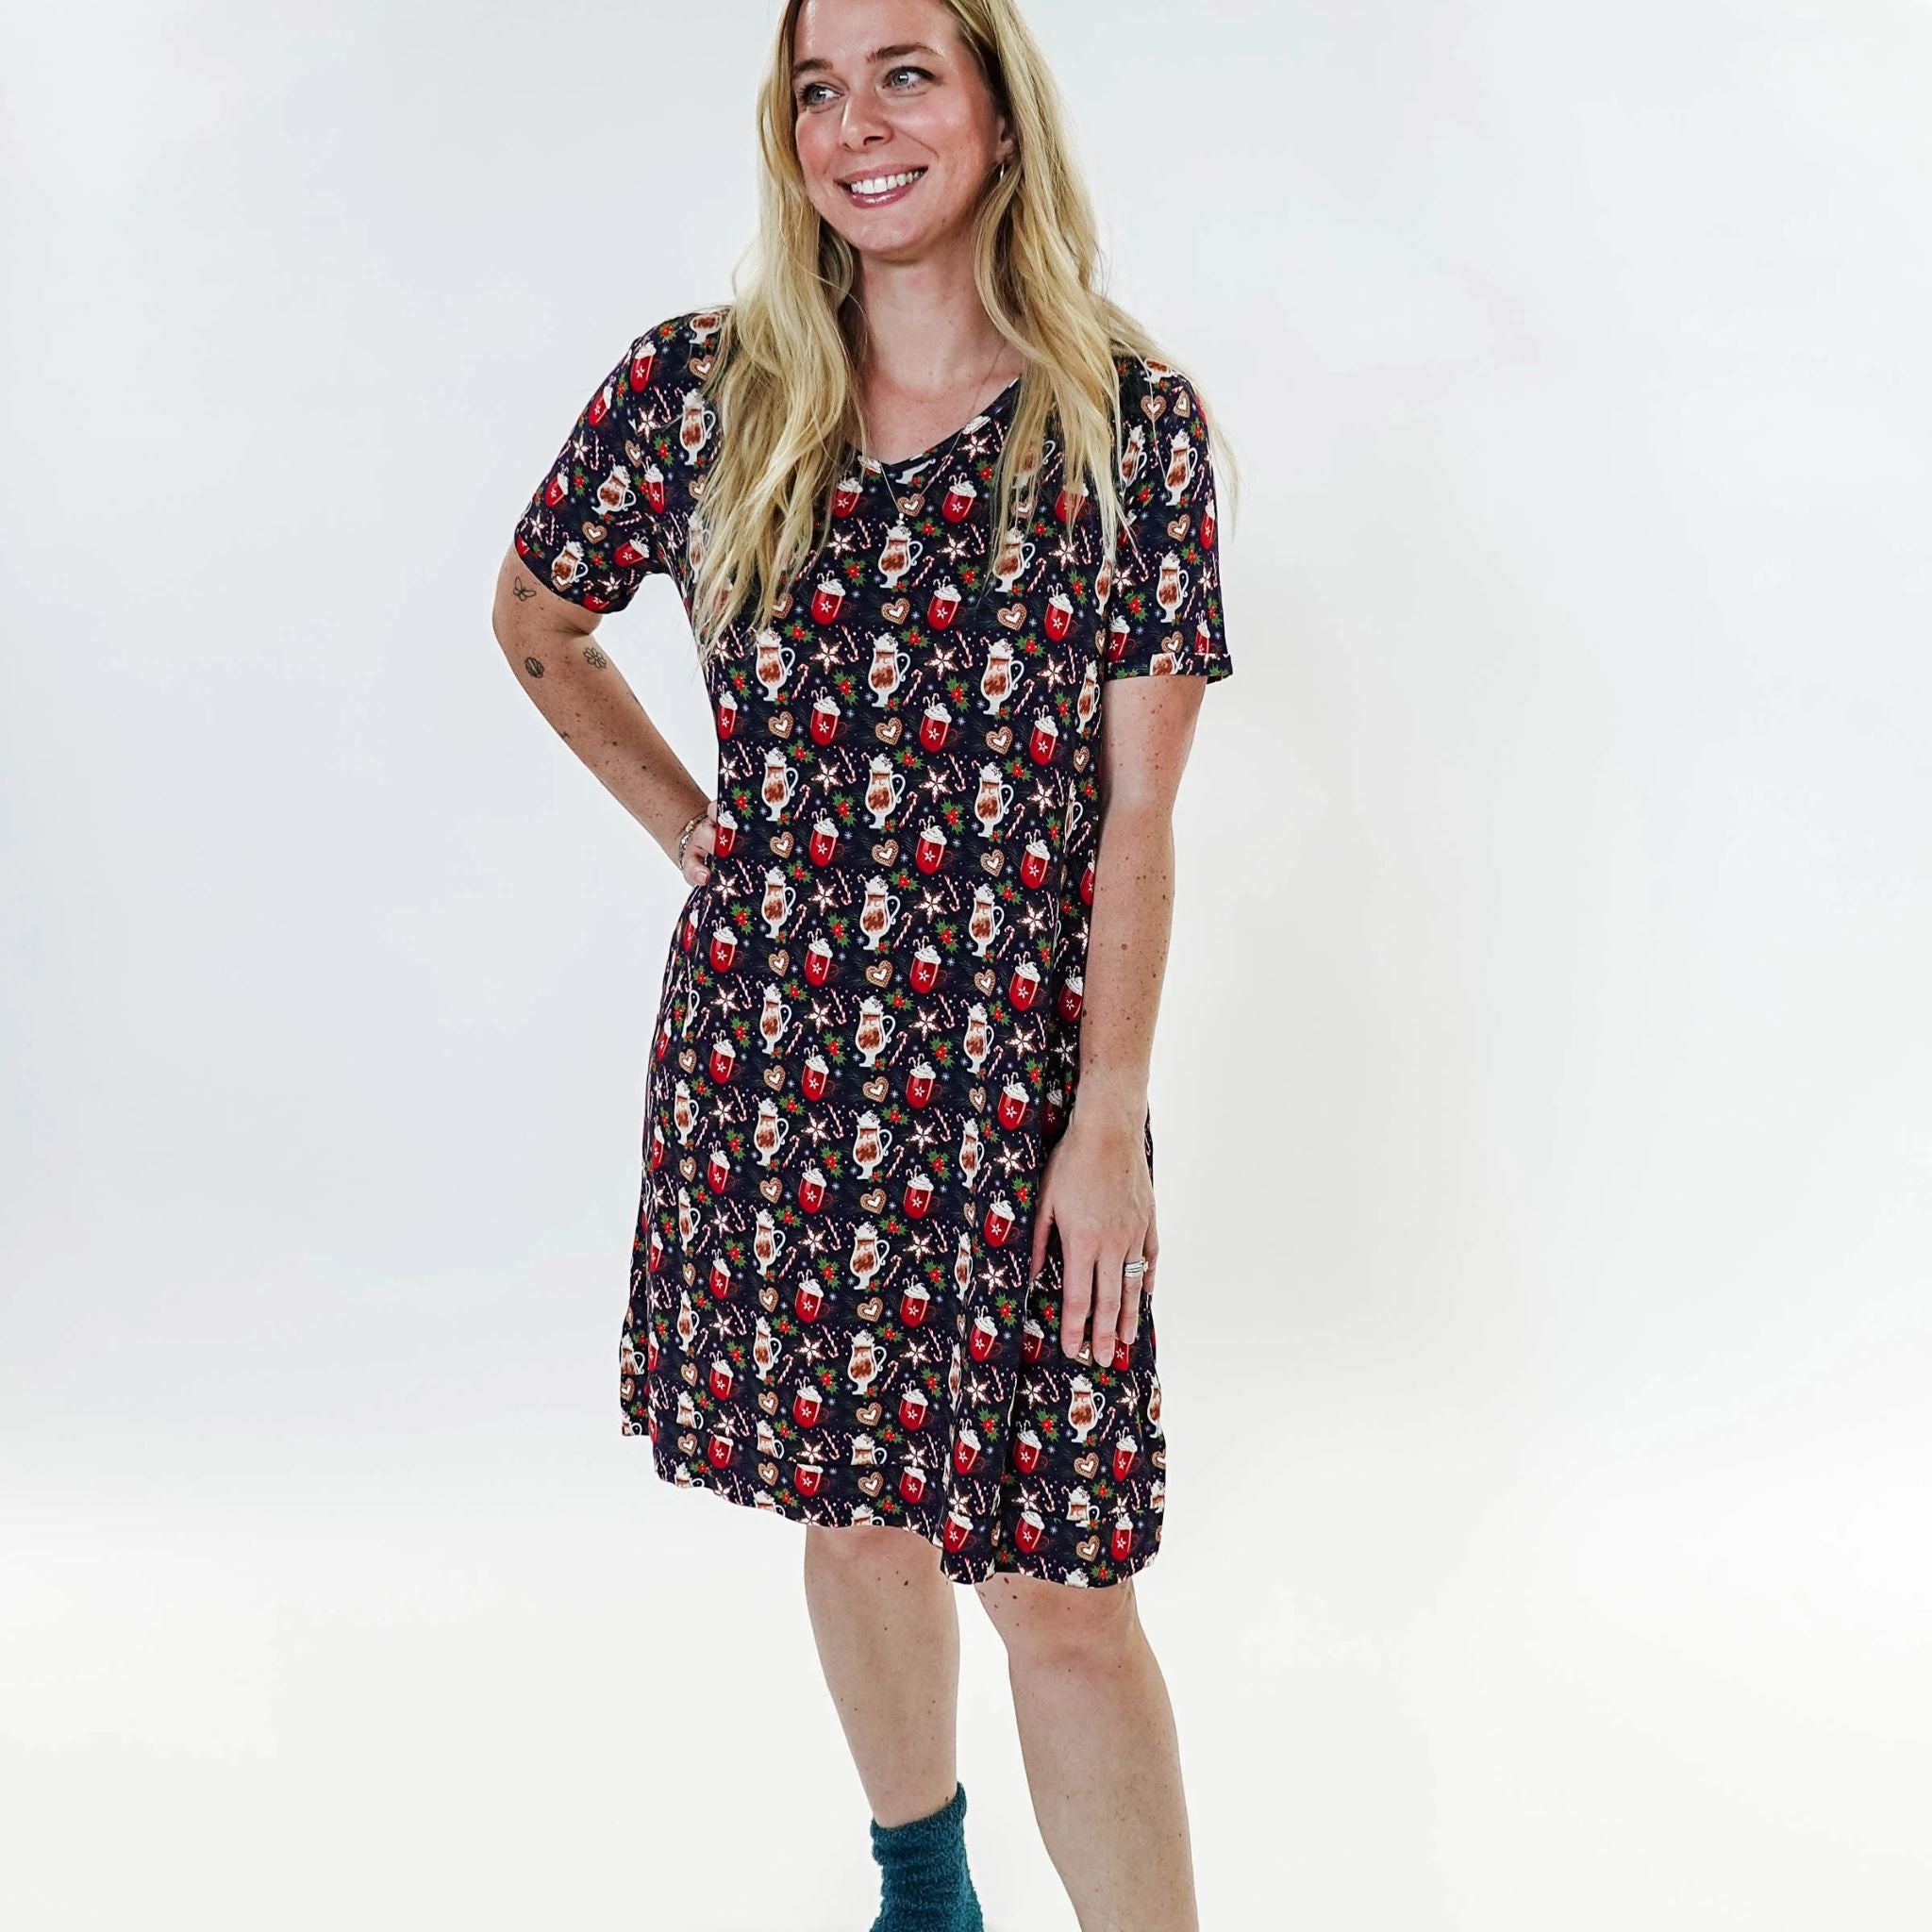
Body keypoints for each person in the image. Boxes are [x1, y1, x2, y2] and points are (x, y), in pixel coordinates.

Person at [491, 3, 1236, 1926]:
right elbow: (538, 617)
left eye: (906, 73)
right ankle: (925, 1888)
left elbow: (1138, 815)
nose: (858, 124)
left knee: (1066, 1590)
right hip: (780, 1069)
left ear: (995, 111)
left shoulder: (1126, 425)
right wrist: (697, 831)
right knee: (861, 1515)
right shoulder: (700, 394)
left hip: (1017, 1084)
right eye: (818, 89)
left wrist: (1109, 1119)